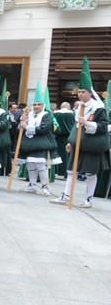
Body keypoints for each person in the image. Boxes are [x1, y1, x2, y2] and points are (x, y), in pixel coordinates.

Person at [51, 58, 110, 208]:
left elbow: (104, 126)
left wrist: (88, 123)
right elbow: (75, 127)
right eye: (79, 91)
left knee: (90, 173)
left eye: (83, 91)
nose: (79, 94)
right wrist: (71, 142)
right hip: (78, 144)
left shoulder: (99, 108)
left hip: (91, 146)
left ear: (90, 93)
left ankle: (88, 199)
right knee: (71, 171)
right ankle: (65, 196)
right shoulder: (78, 108)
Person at [18, 83, 57, 196]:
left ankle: (45, 186)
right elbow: (20, 129)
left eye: (38, 104)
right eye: (34, 104)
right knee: (30, 164)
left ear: (43, 105)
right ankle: (32, 184)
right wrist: (22, 122)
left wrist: (27, 127)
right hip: (30, 143)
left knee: (40, 165)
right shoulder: (29, 115)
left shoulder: (47, 115)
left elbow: (43, 129)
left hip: (41, 143)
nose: (36, 106)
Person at [53, 101, 75, 178]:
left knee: (56, 154)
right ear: (68, 107)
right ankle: (65, 172)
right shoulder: (72, 114)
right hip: (68, 138)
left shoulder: (55, 114)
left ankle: (56, 171)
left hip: (57, 137)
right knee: (67, 155)